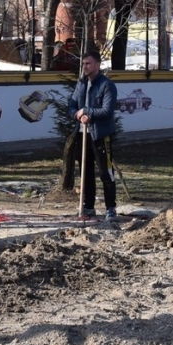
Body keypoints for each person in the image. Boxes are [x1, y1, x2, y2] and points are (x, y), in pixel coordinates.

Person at [67, 50, 118, 219]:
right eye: (83, 64)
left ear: (97, 65)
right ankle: (88, 206)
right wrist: (78, 114)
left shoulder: (106, 85)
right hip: (83, 134)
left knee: (105, 172)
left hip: (101, 135)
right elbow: (72, 105)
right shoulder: (81, 83)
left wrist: (87, 111)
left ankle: (110, 208)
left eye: (88, 63)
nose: (85, 67)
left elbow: (107, 110)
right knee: (85, 172)